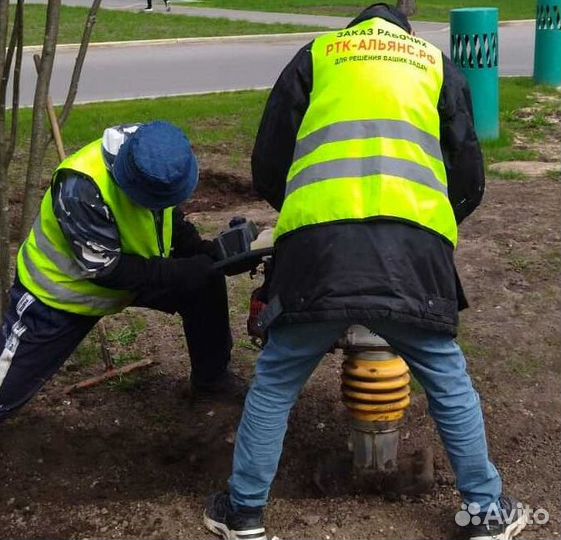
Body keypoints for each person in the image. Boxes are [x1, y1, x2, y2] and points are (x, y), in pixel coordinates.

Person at [203, 4, 527, 540]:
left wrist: (303, 210)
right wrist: (436, 223)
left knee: (276, 383)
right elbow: (468, 171)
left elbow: (268, 163)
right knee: (449, 383)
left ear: (353, 27)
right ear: (405, 26)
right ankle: (486, 512)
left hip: (317, 255)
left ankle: (244, 512)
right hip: (411, 256)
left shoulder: (317, 56)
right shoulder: (436, 63)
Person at [0, 121, 244, 423]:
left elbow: (168, 216)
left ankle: (212, 383)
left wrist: (201, 252)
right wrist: (185, 270)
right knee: (4, 395)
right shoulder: (80, 187)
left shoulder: (157, 160)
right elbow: (106, 270)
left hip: (132, 273)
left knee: (204, 282)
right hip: (60, 295)